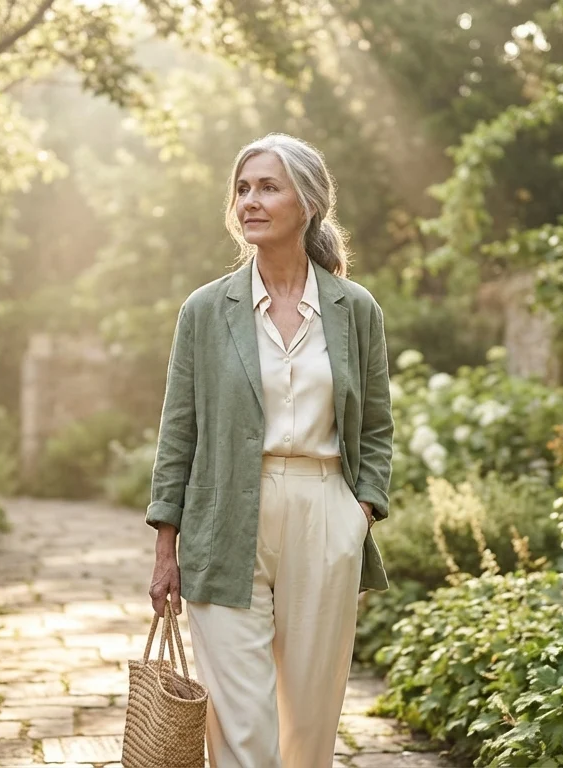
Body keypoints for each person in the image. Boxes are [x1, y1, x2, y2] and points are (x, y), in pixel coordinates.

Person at [144, 132, 394, 768]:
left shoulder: (355, 308)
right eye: (243, 188)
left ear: (307, 203)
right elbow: (179, 431)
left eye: (268, 187)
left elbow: (376, 428)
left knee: (309, 720)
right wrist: (165, 546)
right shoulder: (205, 309)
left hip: (324, 510)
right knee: (241, 721)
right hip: (222, 515)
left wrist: (360, 510)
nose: (250, 201)